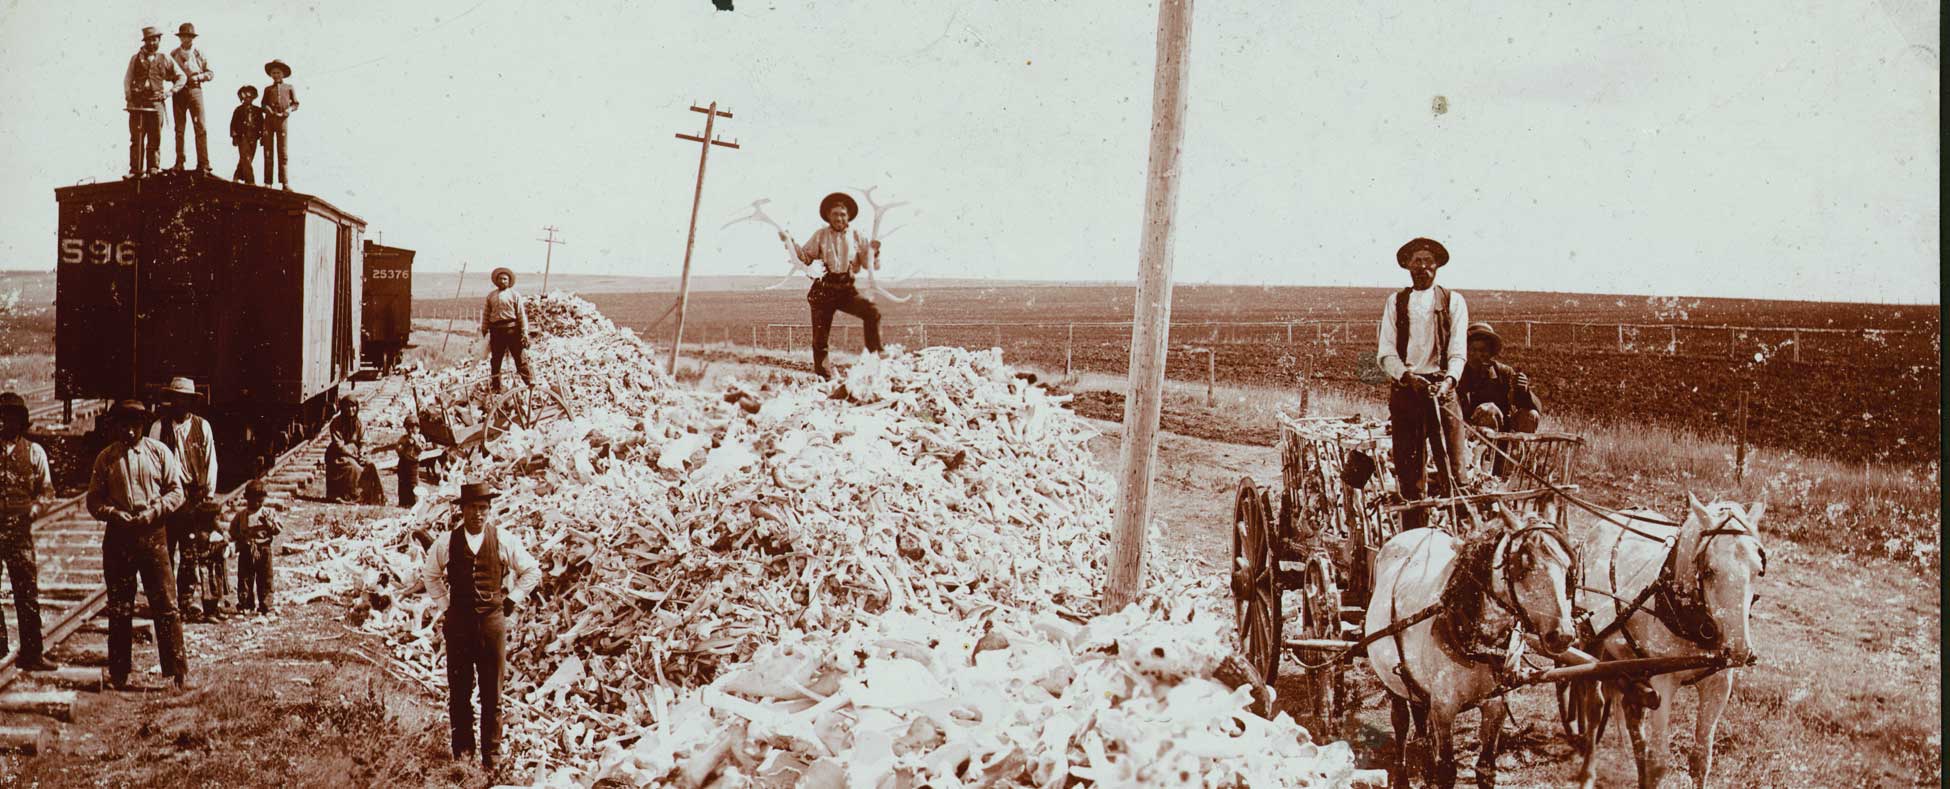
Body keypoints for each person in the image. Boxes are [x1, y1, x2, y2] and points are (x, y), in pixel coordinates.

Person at [420, 482, 541, 774]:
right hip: (459, 626)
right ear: (462, 510)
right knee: (460, 692)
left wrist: (512, 600)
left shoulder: (502, 539)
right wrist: (445, 606)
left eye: (484, 508)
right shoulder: (446, 542)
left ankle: (492, 759)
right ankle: (462, 755)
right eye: (473, 508)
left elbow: (531, 571)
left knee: (492, 694)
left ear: (489, 511)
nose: (478, 514)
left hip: (491, 625)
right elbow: (430, 574)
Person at [87, 400, 190, 691]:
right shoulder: (106, 459)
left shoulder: (159, 453)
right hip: (119, 537)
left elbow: (175, 491)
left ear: (143, 426)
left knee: (167, 604)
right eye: (124, 424)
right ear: (116, 426)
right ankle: (119, 674)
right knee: (120, 607)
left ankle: (177, 672)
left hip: (153, 536)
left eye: (134, 425)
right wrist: (112, 513)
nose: (129, 430)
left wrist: (153, 512)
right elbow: (93, 499)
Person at [1375, 237, 1470, 530]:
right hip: (1407, 392)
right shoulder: (1396, 302)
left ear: (1437, 266)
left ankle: (1462, 537)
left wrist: (1450, 380)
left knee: (1455, 471)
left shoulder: (1454, 301)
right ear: (1407, 266)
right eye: (1416, 261)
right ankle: (1413, 537)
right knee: (1409, 474)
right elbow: (1386, 352)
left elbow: (1458, 351)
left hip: (1442, 392)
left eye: (1428, 262)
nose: (1422, 267)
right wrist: (1406, 376)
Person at [783, 192, 885, 379]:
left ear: (848, 217)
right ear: (829, 216)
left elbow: (868, 263)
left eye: (842, 214)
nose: (839, 217)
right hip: (824, 290)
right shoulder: (820, 235)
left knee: (871, 312)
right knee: (820, 340)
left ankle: (874, 358)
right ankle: (824, 379)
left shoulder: (856, 236)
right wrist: (791, 244)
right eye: (835, 214)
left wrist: (874, 253)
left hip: (846, 289)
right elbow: (805, 257)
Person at [149, 377, 218, 620]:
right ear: (171, 400)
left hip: (193, 497)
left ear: (191, 401)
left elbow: (211, 462)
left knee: (191, 553)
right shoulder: (158, 427)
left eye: (185, 399)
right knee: (165, 551)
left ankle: (187, 601)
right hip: (168, 499)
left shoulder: (202, 427)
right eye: (177, 398)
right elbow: (151, 465)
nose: (181, 403)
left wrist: (209, 493)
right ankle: (166, 602)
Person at [0, 393, 58, 672]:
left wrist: (33, 511)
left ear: (21, 421)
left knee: (26, 592)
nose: (5, 421)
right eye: (2, 415)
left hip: (19, 532)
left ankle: (32, 654)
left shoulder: (34, 452)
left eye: (11, 416)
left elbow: (47, 492)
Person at [123, 26, 183, 179]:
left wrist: (170, 92)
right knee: (136, 137)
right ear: (145, 41)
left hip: (156, 103)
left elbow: (181, 76)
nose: (152, 43)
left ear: (159, 40)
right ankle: (135, 171)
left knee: (155, 137)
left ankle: (153, 168)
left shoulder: (165, 58)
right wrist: (129, 99)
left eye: (154, 40)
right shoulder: (135, 58)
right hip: (138, 103)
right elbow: (127, 79)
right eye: (149, 40)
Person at [168, 23, 214, 173]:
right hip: (180, 92)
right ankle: (179, 162)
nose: (186, 39)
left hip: (195, 90)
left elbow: (210, 73)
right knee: (179, 129)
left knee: (200, 127)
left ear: (192, 38)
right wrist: (176, 79)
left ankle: (203, 163)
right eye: (183, 36)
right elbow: (167, 73)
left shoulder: (199, 53)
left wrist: (199, 77)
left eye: (189, 36)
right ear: (180, 37)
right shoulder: (173, 54)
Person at [230, 480, 280, 614]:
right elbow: (233, 530)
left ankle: (266, 604)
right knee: (245, 578)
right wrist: (241, 538)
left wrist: (268, 523)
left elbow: (277, 529)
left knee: (265, 578)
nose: (257, 503)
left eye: (260, 501)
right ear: (247, 499)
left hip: (264, 549)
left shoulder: (268, 513)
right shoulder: (242, 515)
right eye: (253, 500)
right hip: (247, 550)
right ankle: (246, 604)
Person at [479, 268, 533, 393]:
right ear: (496, 281)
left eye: (505, 279)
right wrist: (484, 328)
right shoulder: (491, 296)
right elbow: (486, 314)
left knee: (519, 358)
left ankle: (529, 382)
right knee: (496, 360)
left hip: (512, 330)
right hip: (496, 332)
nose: (502, 281)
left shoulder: (515, 295)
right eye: (500, 279)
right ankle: (496, 386)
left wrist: (524, 332)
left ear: (509, 282)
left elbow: (521, 314)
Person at [260, 59, 298, 190]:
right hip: (269, 121)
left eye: (278, 73)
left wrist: (288, 110)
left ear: (283, 74)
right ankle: (267, 182)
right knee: (268, 151)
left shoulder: (289, 88)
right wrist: (267, 109)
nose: (276, 75)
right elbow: (263, 104)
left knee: (282, 151)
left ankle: (284, 182)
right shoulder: (267, 89)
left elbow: (295, 103)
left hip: (282, 120)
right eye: (273, 73)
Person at [325, 397, 367, 502]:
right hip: (339, 454)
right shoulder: (336, 423)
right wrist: (353, 455)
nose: (350, 409)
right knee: (354, 467)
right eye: (347, 406)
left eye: (353, 406)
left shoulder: (359, 423)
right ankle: (350, 495)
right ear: (342, 407)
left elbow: (363, 441)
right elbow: (339, 445)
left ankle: (366, 494)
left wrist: (362, 452)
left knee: (370, 465)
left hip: (355, 452)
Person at [229, 85, 262, 184]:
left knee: (248, 158)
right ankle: (250, 181)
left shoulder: (257, 110)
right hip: (242, 136)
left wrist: (262, 137)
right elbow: (233, 124)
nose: (248, 97)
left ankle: (237, 175)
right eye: (245, 95)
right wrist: (234, 137)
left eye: (250, 95)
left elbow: (262, 123)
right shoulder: (238, 110)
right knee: (246, 158)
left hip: (254, 137)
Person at [392, 415, 427, 508]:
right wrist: (404, 445)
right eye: (408, 428)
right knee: (403, 482)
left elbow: (421, 449)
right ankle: (403, 501)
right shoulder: (404, 438)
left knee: (413, 483)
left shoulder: (420, 438)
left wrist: (415, 442)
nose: (411, 430)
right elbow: (398, 448)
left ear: (418, 428)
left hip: (413, 464)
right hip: (404, 462)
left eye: (413, 428)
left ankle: (413, 502)